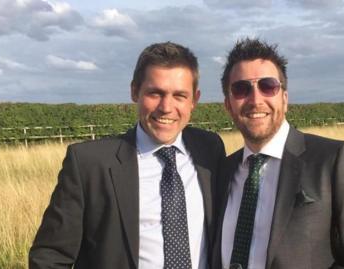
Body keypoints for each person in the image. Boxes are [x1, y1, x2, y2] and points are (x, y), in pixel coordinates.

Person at [29, 42, 226, 269]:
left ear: (194, 100)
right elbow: (50, 256)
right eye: (155, 93)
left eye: (180, 95)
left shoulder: (210, 150)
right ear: (135, 91)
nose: (166, 107)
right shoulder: (88, 164)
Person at [213, 38, 344, 269]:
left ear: (284, 99)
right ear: (228, 105)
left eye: (268, 86)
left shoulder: (333, 159)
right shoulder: (222, 172)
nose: (256, 100)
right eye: (241, 89)